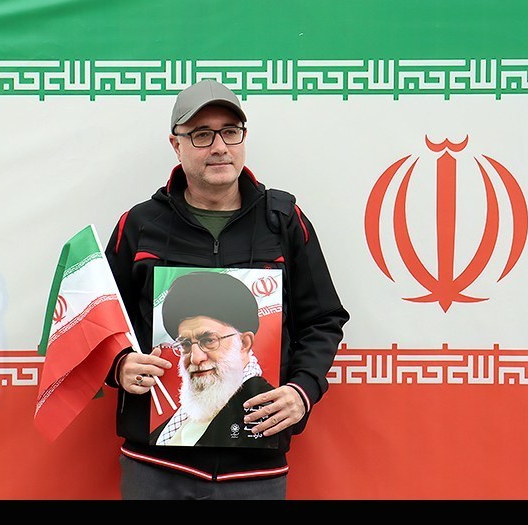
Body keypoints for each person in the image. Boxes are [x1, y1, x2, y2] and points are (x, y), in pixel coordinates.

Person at [104, 78, 349, 500]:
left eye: (230, 132)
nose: (219, 147)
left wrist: (303, 390)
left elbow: (323, 320)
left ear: (243, 138)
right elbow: (101, 325)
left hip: (255, 472)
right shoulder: (140, 225)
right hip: (156, 467)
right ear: (176, 145)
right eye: (201, 135)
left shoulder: (283, 220)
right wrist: (119, 365)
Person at [150, 270, 277, 448]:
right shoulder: (180, 420)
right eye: (186, 344)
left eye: (208, 341)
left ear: (243, 343)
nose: (195, 358)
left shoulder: (267, 411)